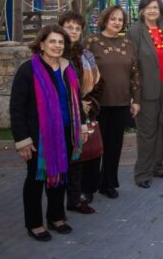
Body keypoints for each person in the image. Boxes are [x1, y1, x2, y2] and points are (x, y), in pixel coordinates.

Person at [10, 25, 87, 241]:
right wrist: (22, 140)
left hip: (65, 133)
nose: (57, 46)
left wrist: (81, 126)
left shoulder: (68, 68)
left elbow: (76, 100)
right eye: (52, 41)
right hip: (39, 137)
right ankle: (34, 224)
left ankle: (56, 217)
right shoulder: (28, 70)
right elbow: (17, 108)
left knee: (60, 176)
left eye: (61, 42)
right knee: (36, 180)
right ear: (42, 44)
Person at [85, 6, 141, 199]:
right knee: (93, 148)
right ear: (104, 20)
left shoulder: (128, 44)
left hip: (121, 103)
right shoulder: (91, 42)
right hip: (97, 104)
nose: (117, 22)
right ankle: (88, 187)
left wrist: (136, 100)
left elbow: (135, 74)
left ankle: (108, 183)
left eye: (120, 19)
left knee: (114, 146)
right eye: (113, 19)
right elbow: (83, 72)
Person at [127, 0, 163, 188]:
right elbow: (132, 64)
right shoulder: (134, 32)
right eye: (148, 7)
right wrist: (135, 95)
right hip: (147, 89)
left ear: (160, 10)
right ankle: (142, 173)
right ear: (141, 10)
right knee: (147, 133)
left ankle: (157, 166)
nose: (152, 11)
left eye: (155, 7)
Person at [59, 11, 101, 214]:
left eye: (77, 28)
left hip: (85, 110)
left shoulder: (86, 55)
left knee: (81, 157)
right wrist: (75, 104)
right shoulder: (56, 53)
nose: (74, 31)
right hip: (62, 114)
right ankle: (63, 201)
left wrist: (87, 102)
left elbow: (97, 82)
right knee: (65, 158)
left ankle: (76, 197)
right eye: (69, 27)